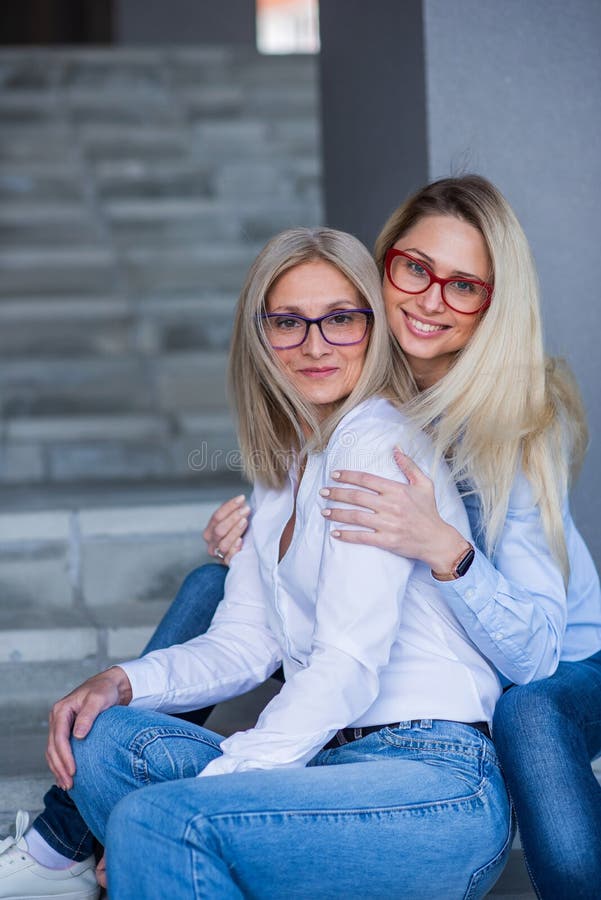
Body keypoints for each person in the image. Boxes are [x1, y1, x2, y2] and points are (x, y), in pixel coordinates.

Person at [2, 175, 599, 897]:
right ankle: (170, 843)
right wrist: (127, 675)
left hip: (496, 703)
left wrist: (444, 546)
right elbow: (250, 639)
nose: (429, 299)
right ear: (382, 277)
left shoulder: (495, 424)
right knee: (110, 724)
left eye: (463, 285)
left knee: (158, 822)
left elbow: (522, 654)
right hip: (343, 743)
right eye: (413, 269)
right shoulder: (301, 446)